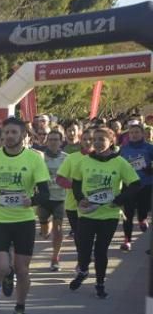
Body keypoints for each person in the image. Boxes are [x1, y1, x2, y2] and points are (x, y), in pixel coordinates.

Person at [0, 118, 51, 314]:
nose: (9, 136)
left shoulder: (34, 159)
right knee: (0, 265)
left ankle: (20, 308)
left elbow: (45, 193)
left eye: (13, 133)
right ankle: (6, 274)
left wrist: (32, 200)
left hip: (23, 221)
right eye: (6, 132)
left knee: (23, 270)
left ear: (23, 135)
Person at [69, 127, 141, 298]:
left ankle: (100, 283)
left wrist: (118, 200)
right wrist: (80, 199)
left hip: (108, 215)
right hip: (87, 213)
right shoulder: (85, 161)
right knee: (84, 249)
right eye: (95, 139)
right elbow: (76, 182)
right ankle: (83, 270)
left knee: (101, 251)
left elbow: (135, 184)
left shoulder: (120, 162)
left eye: (102, 139)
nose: (98, 143)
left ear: (111, 141)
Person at [118, 120, 153, 250]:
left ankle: (142, 219)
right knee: (128, 213)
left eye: (137, 132)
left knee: (144, 208)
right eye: (131, 133)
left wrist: (151, 168)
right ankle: (127, 240)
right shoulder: (124, 149)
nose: (134, 135)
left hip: (146, 183)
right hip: (129, 185)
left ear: (142, 133)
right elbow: (117, 166)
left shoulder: (149, 148)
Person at [37, 130, 68, 271]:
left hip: (60, 198)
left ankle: (55, 258)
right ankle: (45, 227)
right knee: (44, 231)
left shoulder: (67, 158)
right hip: (44, 197)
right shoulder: (40, 157)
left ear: (61, 142)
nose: (53, 142)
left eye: (56, 139)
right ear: (46, 141)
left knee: (59, 229)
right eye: (51, 139)